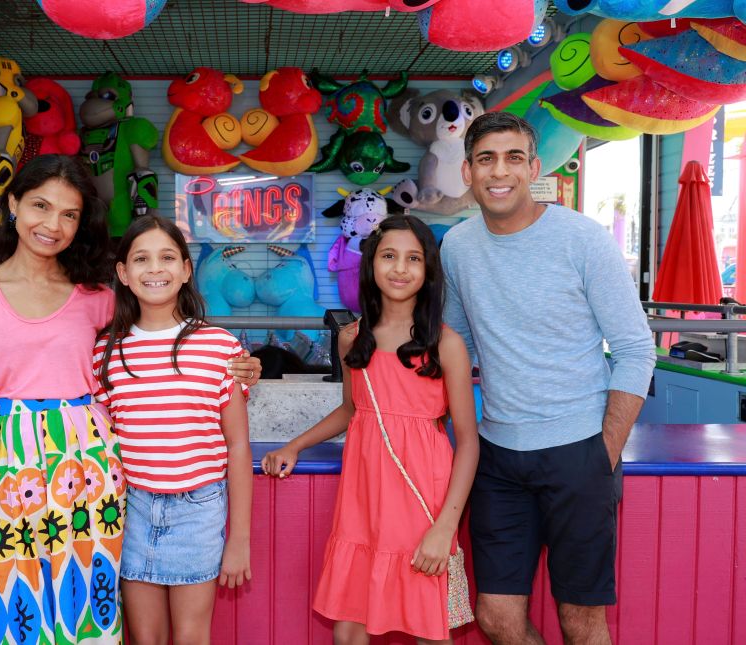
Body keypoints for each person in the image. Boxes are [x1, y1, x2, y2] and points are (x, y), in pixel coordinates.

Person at [0, 156, 261, 644]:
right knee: (5, 613)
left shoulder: (96, 298)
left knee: (82, 611)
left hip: (87, 472)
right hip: (5, 468)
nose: (52, 224)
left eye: (68, 214)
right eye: (40, 207)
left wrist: (246, 365)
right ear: (12, 204)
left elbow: (159, 337)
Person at [442, 112, 656, 645]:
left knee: (580, 620)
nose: (501, 171)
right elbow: (455, 346)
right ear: (467, 171)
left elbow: (635, 349)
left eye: (514, 157)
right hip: (497, 457)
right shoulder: (457, 247)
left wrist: (602, 452)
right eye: (486, 159)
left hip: (579, 452)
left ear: (534, 167)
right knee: (494, 615)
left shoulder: (583, 240)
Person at [262, 214, 480, 644]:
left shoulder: (447, 344)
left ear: (428, 270)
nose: (400, 268)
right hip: (363, 500)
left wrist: (445, 527)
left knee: (429, 627)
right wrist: (296, 445)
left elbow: (469, 442)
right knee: (348, 628)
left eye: (413, 258)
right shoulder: (351, 338)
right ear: (371, 264)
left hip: (423, 501)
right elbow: (351, 409)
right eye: (389, 256)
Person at [92, 215, 253, 645]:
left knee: (191, 637)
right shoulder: (104, 353)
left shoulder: (220, 348)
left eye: (167, 257)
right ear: (123, 274)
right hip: (132, 511)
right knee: (145, 638)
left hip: (199, 511)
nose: (155, 269)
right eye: (141, 259)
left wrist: (238, 541)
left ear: (185, 269)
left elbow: (238, 446)